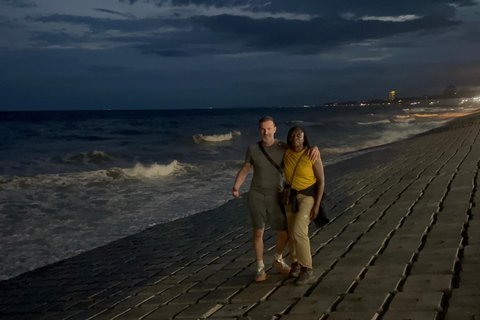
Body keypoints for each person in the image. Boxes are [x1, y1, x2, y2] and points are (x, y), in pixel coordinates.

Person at [232, 117, 319, 282]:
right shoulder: (253, 149)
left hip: (277, 195)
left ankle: (278, 258)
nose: (266, 132)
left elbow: (300, 148)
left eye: (269, 128)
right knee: (258, 232)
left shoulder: (283, 147)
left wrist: (315, 147)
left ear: (275, 129)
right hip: (256, 195)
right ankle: (260, 267)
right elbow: (245, 169)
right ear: (260, 130)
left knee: (285, 233)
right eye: (263, 129)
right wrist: (236, 187)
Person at [283, 126, 325, 285]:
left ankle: (307, 268)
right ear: (288, 138)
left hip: (308, 196)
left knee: (299, 229)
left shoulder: (312, 154)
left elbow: (321, 181)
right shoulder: (285, 153)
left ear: (305, 138)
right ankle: (295, 264)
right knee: (291, 231)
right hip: (290, 198)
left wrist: (317, 204)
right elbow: (271, 145)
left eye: (299, 135)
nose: (296, 138)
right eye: (292, 135)